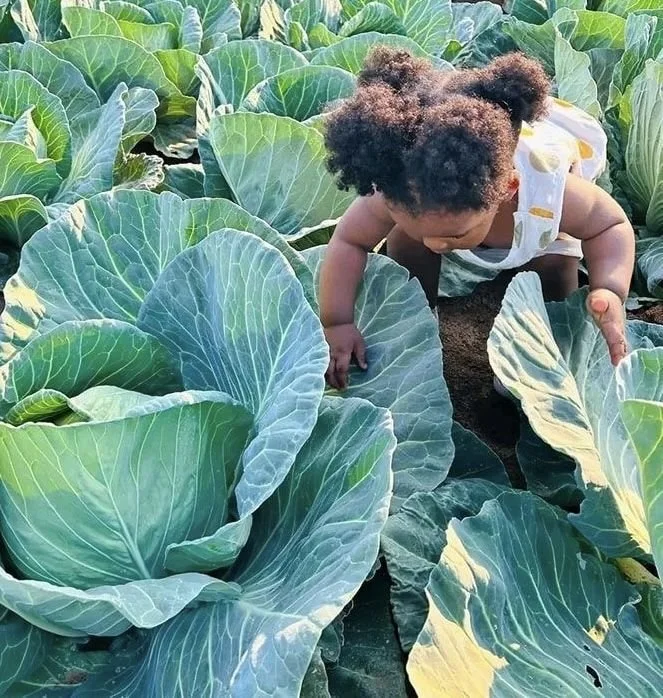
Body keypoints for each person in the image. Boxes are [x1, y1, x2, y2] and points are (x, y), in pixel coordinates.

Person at [318, 47, 635, 390]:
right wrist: (337, 322)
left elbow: (610, 225)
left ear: (507, 190)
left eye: (454, 235)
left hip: (538, 208)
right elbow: (349, 240)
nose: (436, 244)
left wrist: (610, 289)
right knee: (404, 240)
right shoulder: (398, 192)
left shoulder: (552, 195)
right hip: (475, 178)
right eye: (422, 230)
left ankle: (543, 351)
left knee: (554, 265)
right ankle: (421, 313)